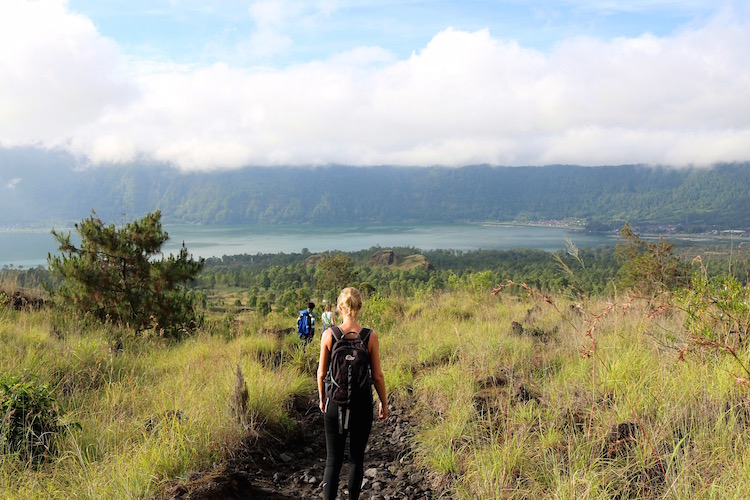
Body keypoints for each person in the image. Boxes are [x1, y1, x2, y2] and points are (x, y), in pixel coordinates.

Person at [317, 287, 387, 500]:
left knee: (333, 460)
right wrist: (383, 402)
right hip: (361, 404)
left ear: (339, 308)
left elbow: (321, 373)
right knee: (356, 459)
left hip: (334, 404)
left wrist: (323, 399)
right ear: (360, 307)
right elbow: (377, 376)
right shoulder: (369, 336)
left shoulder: (329, 335)